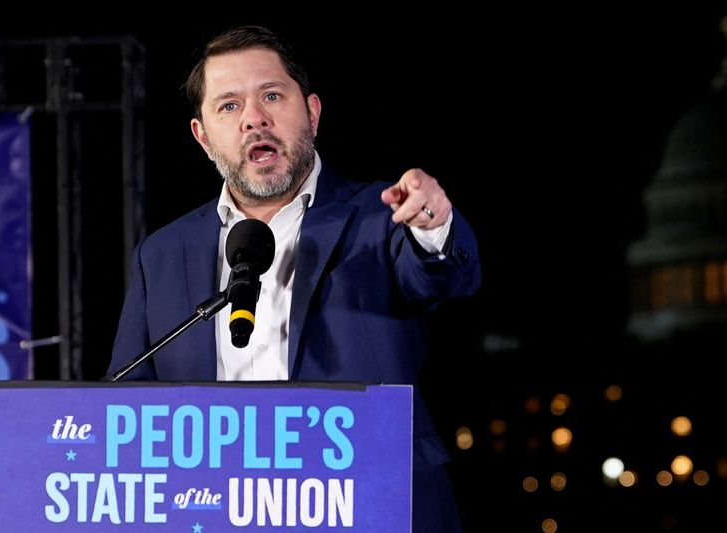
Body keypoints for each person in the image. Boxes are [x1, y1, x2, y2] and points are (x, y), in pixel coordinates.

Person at [109, 25, 481, 533]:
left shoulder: (379, 220)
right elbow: (124, 404)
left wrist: (434, 224)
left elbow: (442, 279)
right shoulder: (163, 254)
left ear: (312, 112)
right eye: (229, 106)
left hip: (374, 509)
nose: (254, 119)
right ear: (202, 136)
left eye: (271, 96)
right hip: (213, 515)